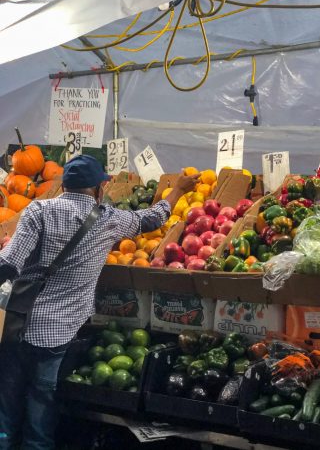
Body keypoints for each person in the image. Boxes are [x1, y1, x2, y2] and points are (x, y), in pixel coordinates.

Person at [0, 154, 199, 450]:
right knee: (39, 416)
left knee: (7, 411)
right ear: (98, 189)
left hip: (17, 325)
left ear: (64, 185)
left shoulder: (37, 211)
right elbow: (155, 217)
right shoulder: (108, 219)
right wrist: (179, 188)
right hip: (57, 336)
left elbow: (8, 264)